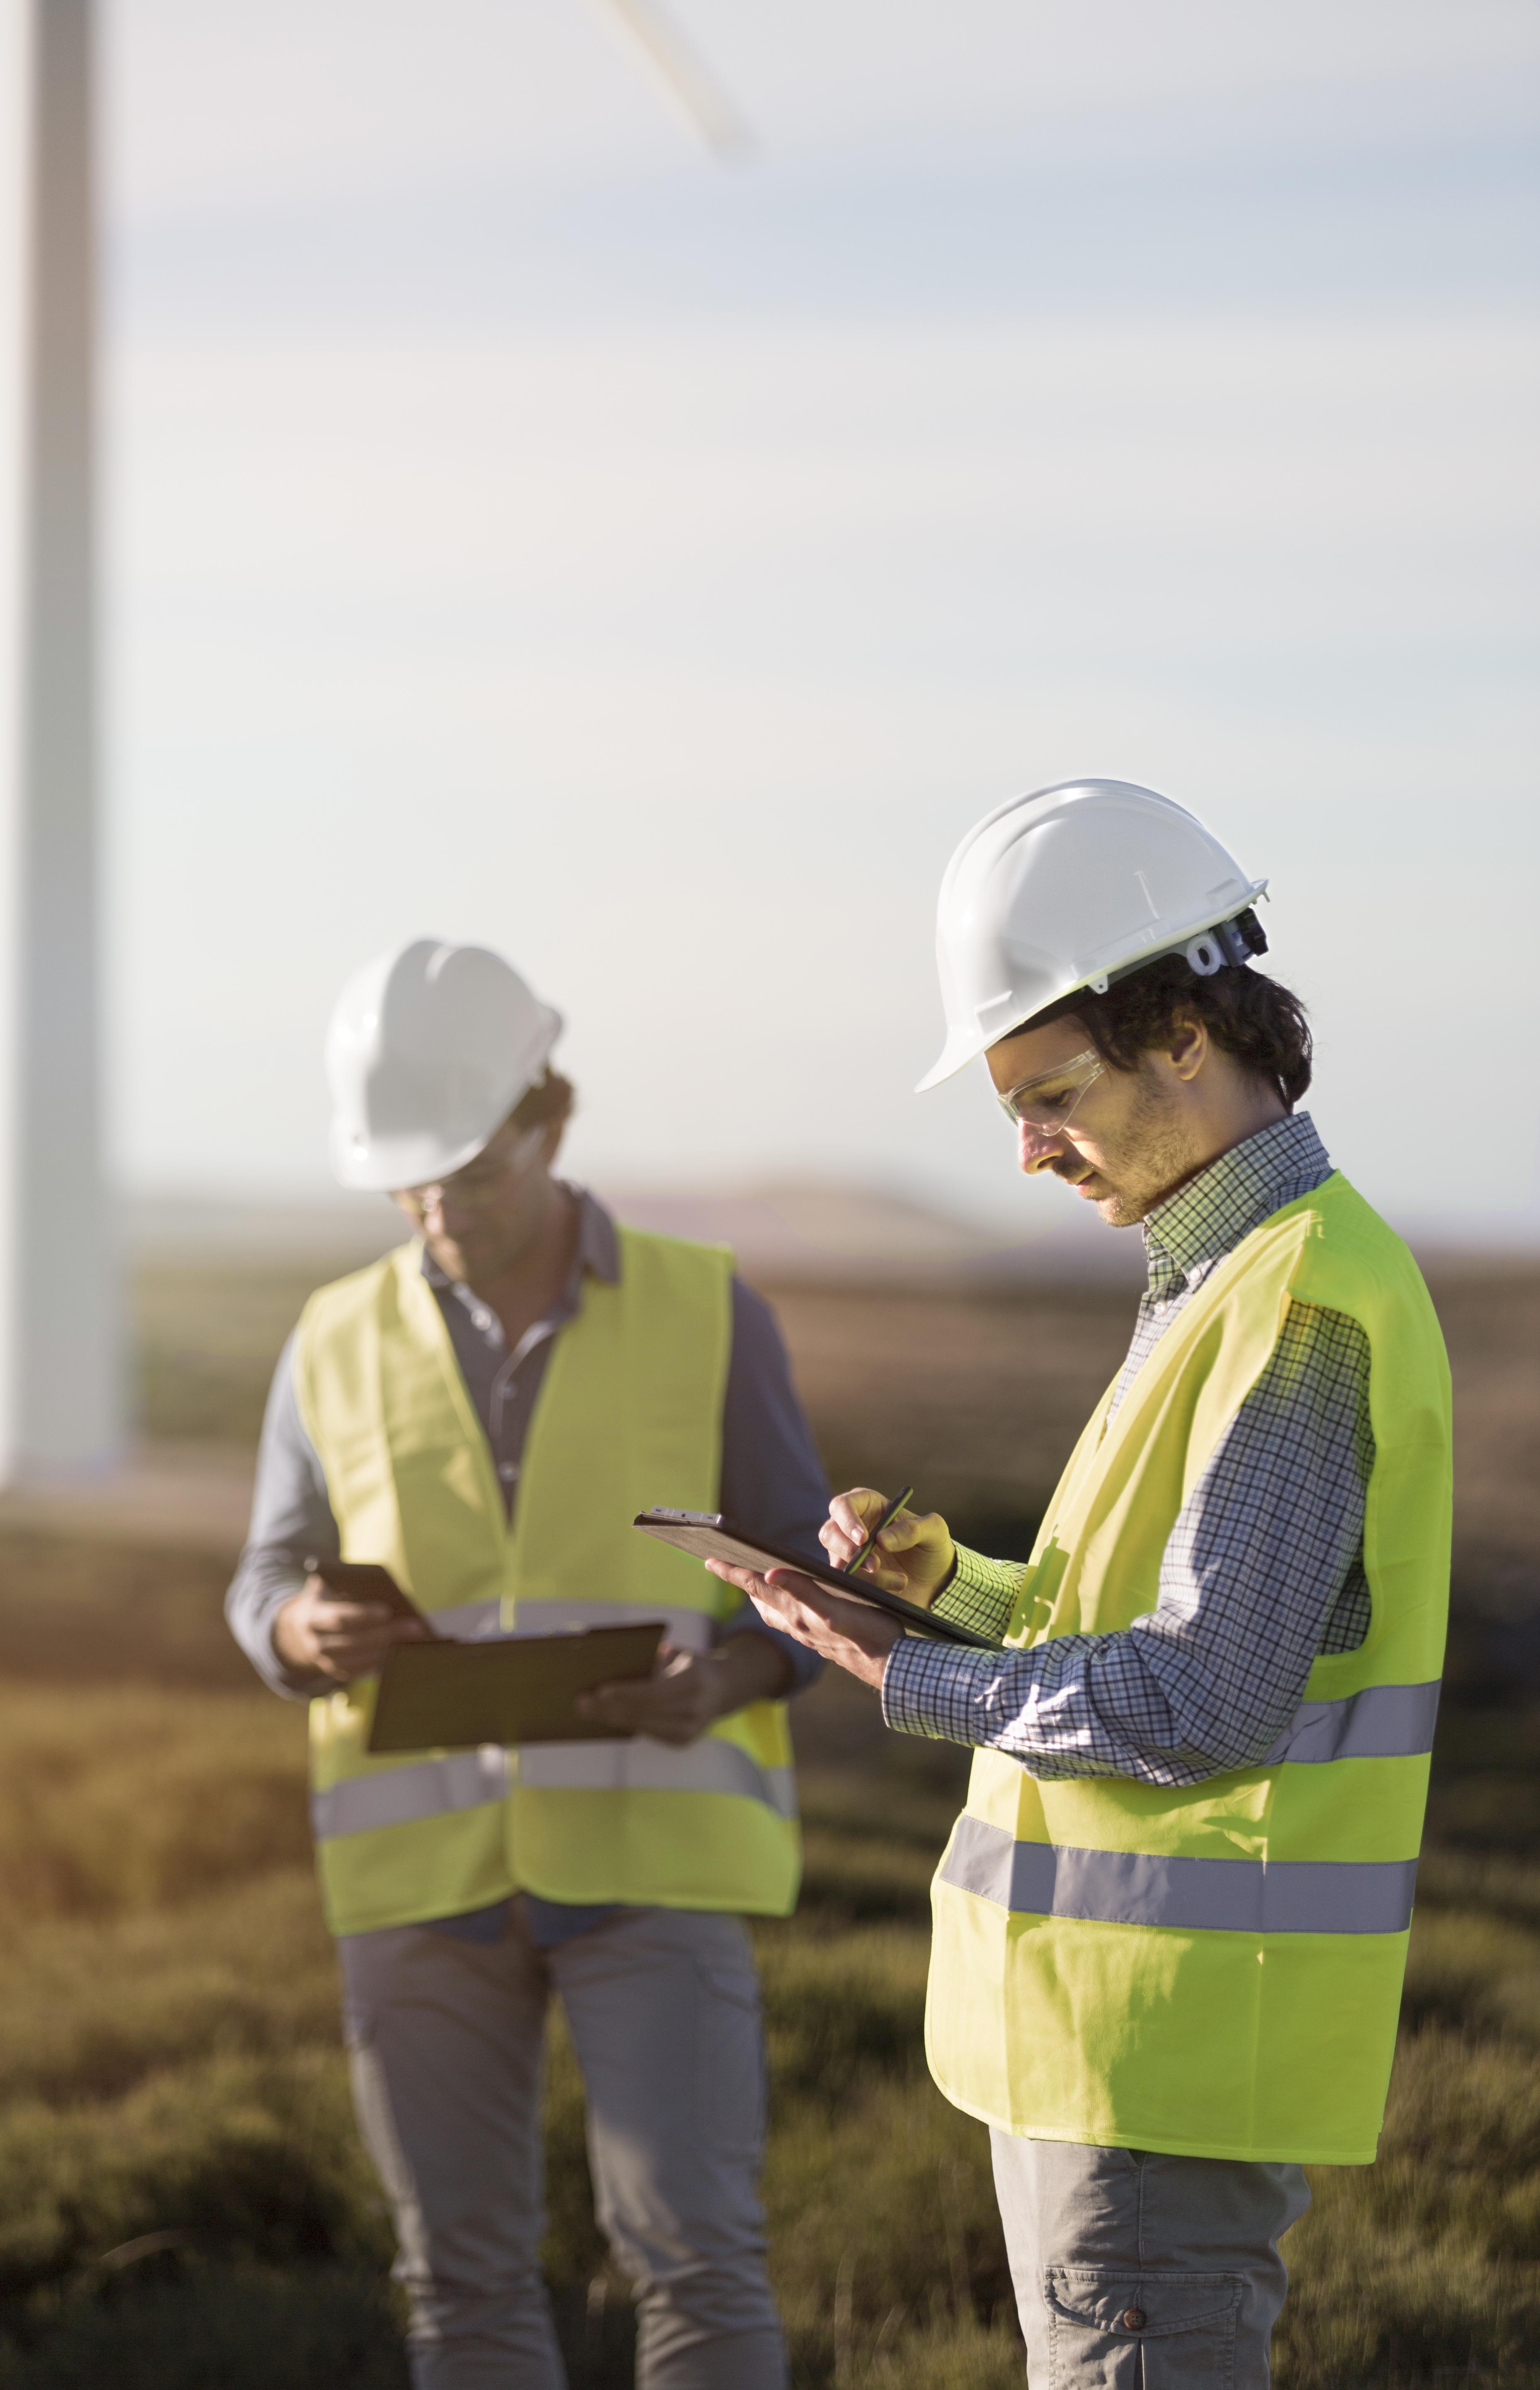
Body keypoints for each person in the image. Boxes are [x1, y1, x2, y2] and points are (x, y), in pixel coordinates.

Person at [709, 780, 1452, 2390]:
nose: (1033, 1150)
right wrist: (949, 1591)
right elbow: (1154, 1636)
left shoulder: (1298, 1306)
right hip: (1101, 2053)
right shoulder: (1219, 1282)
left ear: (1185, 1031)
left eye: (1051, 1094)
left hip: (1159, 2067)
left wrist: (897, 1677)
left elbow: (1202, 1702)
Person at [227, 937, 828, 2390]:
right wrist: (300, 1634)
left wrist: (726, 1683)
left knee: (696, 2262)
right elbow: (263, 1578)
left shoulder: (708, 1308)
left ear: (548, 1124)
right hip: (420, 1886)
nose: (442, 1212)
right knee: (460, 2287)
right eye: (410, 1184)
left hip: (654, 1865)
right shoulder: (327, 1338)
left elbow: (807, 1589)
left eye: (474, 1174)